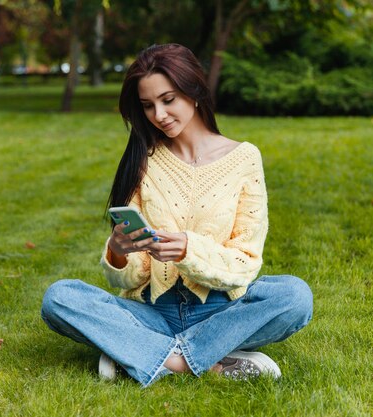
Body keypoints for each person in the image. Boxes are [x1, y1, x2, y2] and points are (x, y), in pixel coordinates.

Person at [41, 43, 313, 388]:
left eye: (168, 100)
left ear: (194, 91)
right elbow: (128, 280)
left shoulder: (244, 159)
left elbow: (245, 263)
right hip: (151, 311)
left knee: (294, 296)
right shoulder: (143, 159)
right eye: (148, 105)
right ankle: (199, 361)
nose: (159, 114)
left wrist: (189, 251)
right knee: (59, 297)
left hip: (220, 313)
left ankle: (143, 355)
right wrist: (119, 252)